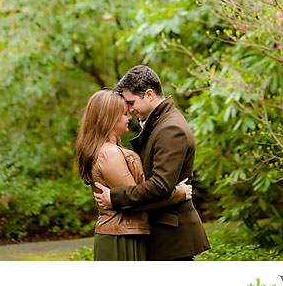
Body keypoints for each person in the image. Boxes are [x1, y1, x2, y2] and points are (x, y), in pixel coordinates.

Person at [92, 65, 210, 260]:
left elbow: (160, 186)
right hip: (161, 233)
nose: (129, 109)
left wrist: (114, 197)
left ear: (149, 94)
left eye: (131, 102)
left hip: (172, 238)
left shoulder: (171, 129)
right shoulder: (159, 123)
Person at [75, 89, 191, 260]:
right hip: (120, 236)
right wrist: (176, 194)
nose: (129, 118)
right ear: (109, 118)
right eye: (124, 114)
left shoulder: (111, 150)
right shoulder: (110, 153)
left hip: (127, 233)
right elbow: (136, 200)